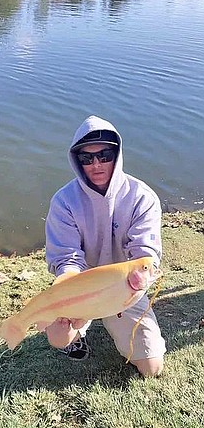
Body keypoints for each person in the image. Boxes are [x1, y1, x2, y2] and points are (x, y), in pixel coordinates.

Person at [44, 115, 165, 377]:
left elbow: (146, 254)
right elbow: (67, 258)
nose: (96, 164)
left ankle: (117, 324)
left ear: (117, 155)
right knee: (58, 337)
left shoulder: (142, 196)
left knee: (151, 368)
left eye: (104, 155)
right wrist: (67, 285)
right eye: (87, 158)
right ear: (77, 161)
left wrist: (140, 276)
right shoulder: (63, 201)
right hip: (82, 285)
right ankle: (76, 336)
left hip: (125, 289)